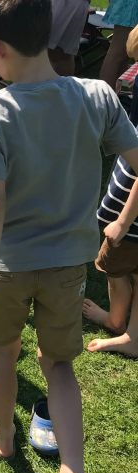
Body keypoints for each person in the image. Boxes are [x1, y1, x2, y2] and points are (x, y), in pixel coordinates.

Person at [0, 0, 138, 473]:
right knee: (60, 365)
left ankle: (6, 439)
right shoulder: (98, 94)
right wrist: (119, 213)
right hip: (67, 267)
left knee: (3, 352)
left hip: (9, 268)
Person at [82, 23, 138, 357]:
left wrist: (123, 220)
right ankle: (133, 335)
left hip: (128, 215)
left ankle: (116, 320)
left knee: (114, 268)